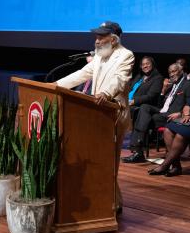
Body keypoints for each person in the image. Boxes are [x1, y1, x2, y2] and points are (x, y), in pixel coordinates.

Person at [55, 21, 134, 213]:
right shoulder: (99, 57)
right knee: (99, 159)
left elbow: (120, 80)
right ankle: (113, 201)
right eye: (96, 37)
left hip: (112, 114)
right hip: (96, 114)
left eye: (101, 37)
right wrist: (55, 85)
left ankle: (112, 203)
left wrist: (106, 93)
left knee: (109, 161)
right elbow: (81, 74)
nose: (96, 41)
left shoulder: (126, 55)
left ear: (113, 40)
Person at [122, 63, 190, 163]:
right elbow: (160, 104)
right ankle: (138, 146)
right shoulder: (171, 86)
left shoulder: (188, 85)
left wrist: (180, 113)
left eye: (174, 71)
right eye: (170, 72)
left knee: (143, 119)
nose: (171, 74)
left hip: (173, 115)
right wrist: (163, 90)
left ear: (181, 71)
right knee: (144, 107)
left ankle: (138, 149)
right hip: (162, 111)